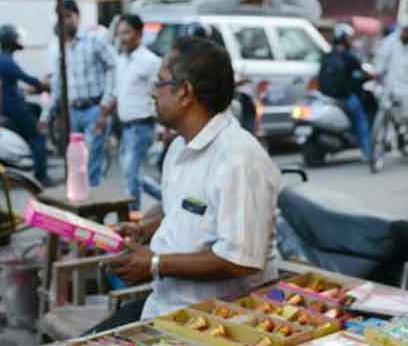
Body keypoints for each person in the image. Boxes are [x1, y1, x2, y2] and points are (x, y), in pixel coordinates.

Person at [103, 37, 280, 326]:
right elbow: (181, 206)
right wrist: (142, 228)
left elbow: (239, 259)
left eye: (159, 83)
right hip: (165, 309)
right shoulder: (178, 148)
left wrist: (155, 264)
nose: (152, 94)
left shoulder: (239, 159)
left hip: (217, 324)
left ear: (184, 92)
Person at [44, 0, 115, 187]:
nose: (65, 21)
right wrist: (46, 114)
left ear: (77, 16)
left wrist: (105, 105)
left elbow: (113, 67)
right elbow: (58, 82)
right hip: (72, 111)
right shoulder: (60, 48)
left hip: (94, 108)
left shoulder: (94, 41)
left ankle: (93, 205)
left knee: (93, 159)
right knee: (75, 161)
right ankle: (79, 202)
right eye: (61, 17)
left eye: (68, 16)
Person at [101, 14, 160, 211]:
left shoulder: (150, 61)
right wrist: (104, 115)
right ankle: (166, 198)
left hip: (141, 126)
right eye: (119, 34)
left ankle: (133, 216)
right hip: (124, 127)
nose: (122, 38)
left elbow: (160, 94)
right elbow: (118, 92)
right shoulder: (121, 61)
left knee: (131, 173)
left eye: (126, 33)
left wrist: (163, 127)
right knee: (131, 174)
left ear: (139, 34)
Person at [0, 24, 53, 185]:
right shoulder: (6, 61)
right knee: (38, 137)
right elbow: (27, 78)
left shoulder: (1, 60)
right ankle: (41, 176)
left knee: (35, 110)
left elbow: (12, 84)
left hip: (11, 106)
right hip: (15, 109)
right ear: (10, 40)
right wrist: (43, 84)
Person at [317, 23, 373, 163]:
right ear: (344, 38)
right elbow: (362, 73)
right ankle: (368, 152)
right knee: (361, 120)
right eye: (349, 38)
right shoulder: (349, 57)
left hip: (325, 97)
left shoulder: (327, 55)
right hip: (345, 98)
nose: (351, 40)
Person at [374, 24, 408, 155]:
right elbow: (380, 63)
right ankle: (386, 139)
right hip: (389, 84)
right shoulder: (389, 42)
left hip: (407, 86)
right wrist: (378, 77)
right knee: (384, 108)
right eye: (406, 31)